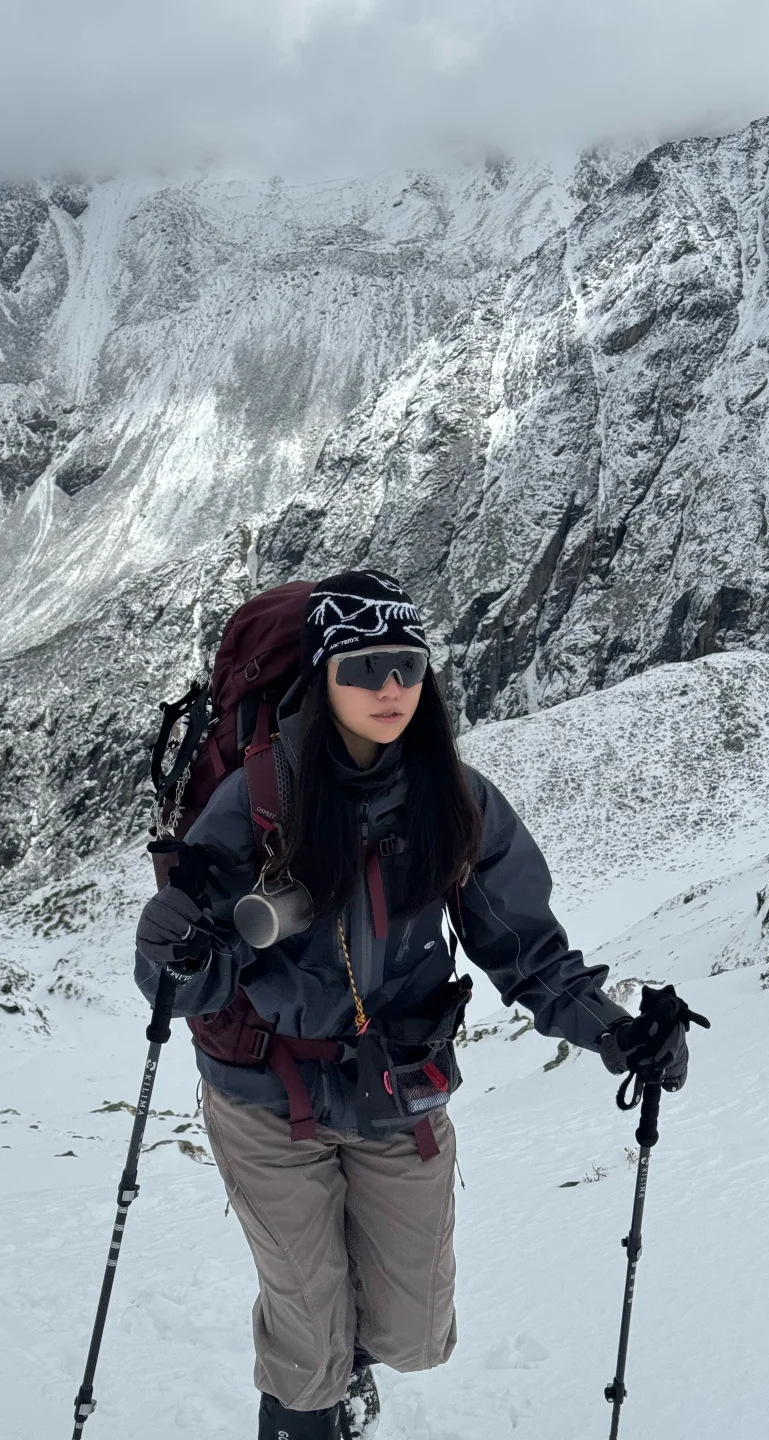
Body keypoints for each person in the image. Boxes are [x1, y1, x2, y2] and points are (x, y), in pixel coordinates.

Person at [135, 569, 690, 1440]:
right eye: (361, 669)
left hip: (400, 1088)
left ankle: (347, 1359)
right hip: (266, 1094)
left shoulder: (455, 801)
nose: (388, 688)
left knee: (416, 1332)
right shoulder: (259, 798)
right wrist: (169, 948)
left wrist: (617, 1033)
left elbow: (526, 951)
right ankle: (307, 1406)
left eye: (406, 666)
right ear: (323, 676)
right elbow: (190, 980)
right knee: (306, 1331)